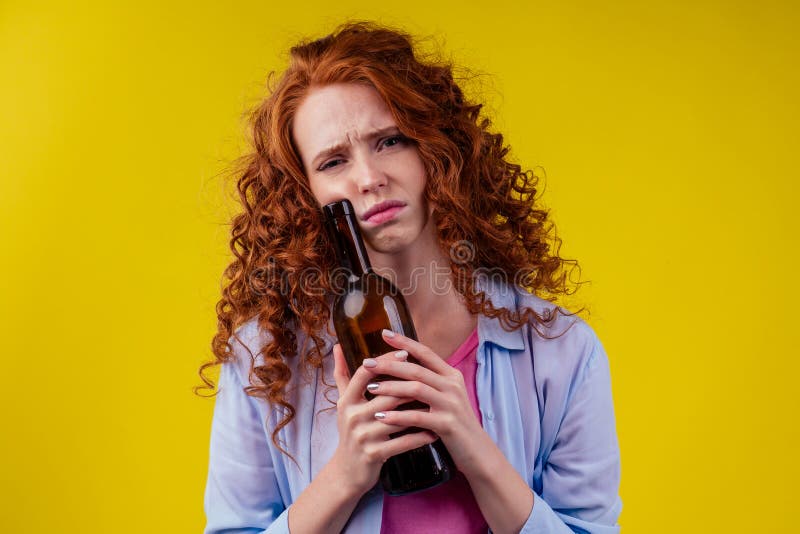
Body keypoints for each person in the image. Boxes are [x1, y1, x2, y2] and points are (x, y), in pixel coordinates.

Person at [199, 21, 622, 534]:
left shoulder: (561, 351)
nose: (368, 178)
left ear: (436, 150)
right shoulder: (263, 360)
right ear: (306, 193)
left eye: (390, 141)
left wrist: (477, 453)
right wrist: (344, 476)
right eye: (334, 160)